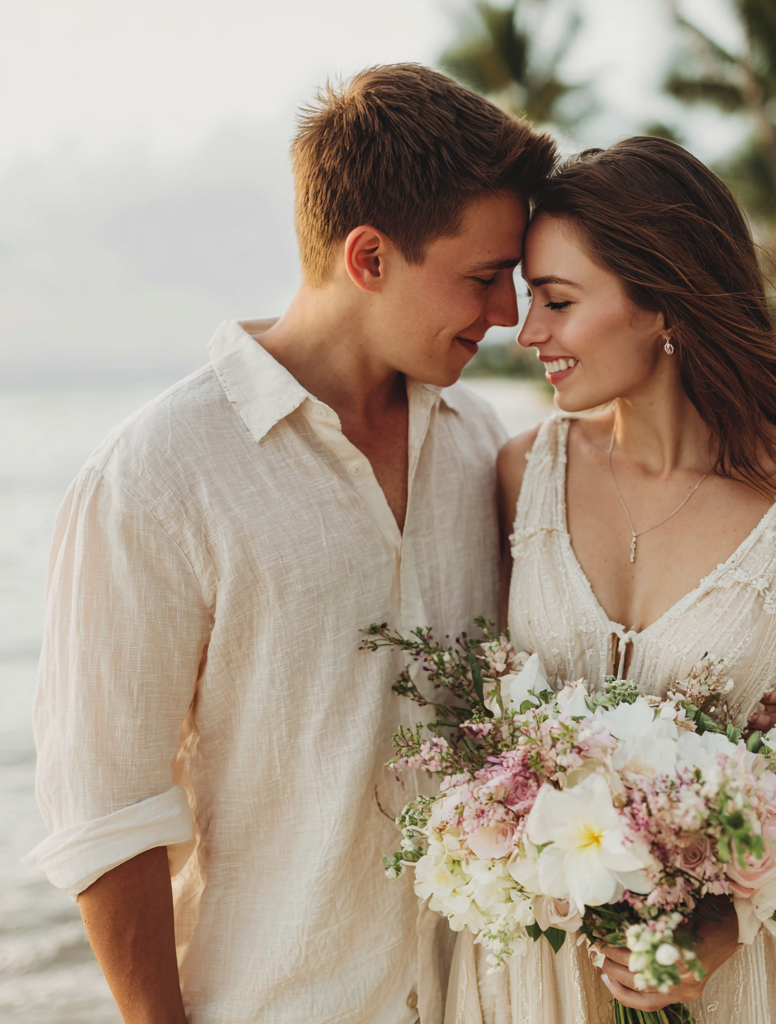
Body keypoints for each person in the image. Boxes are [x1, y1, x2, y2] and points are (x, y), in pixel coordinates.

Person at [22, 64, 558, 1024]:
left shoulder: (483, 443)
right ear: (369, 258)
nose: (508, 315)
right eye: (484, 278)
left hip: (491, 1000)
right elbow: (108, 816)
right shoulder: (155, 476)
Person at [449, 138, 776, 1023]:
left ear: (661, 303)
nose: (529, 333)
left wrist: (714, 935)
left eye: (558, 301)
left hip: (721, 984)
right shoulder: (521, 471)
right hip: (531, 979)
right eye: (531, 299)